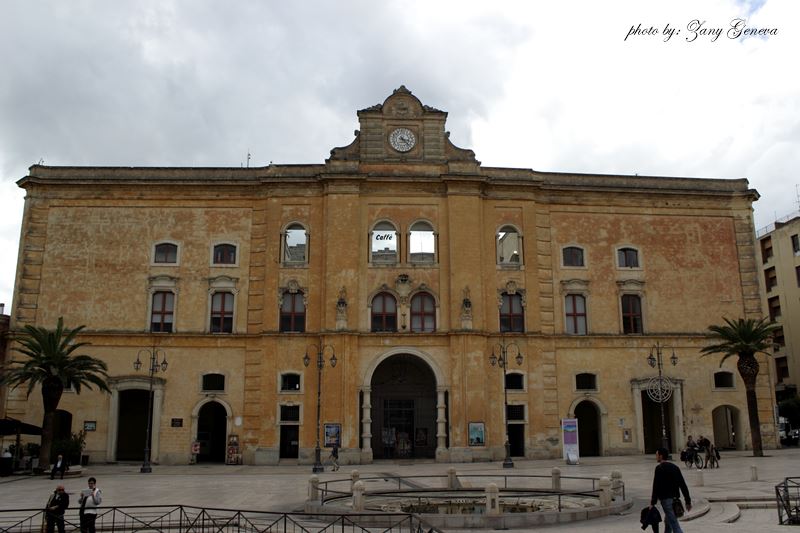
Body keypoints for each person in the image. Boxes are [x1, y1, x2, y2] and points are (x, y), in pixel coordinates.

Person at [650, 447, 691, 533]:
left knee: (675, 525)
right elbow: (683, 485)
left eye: (657, 455)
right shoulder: (675, 467)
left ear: (661, 456)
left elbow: (656, 486)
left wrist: (653, 502)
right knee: (668, 522)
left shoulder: (659, 468)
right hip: (676, 500)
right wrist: (688, 501)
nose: (656, 457)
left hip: (666, 500)